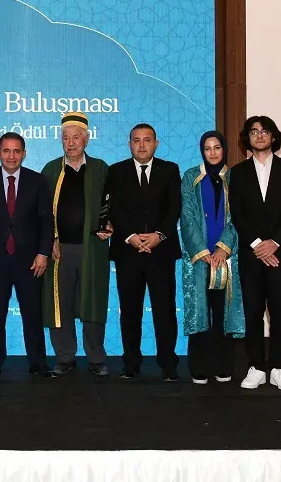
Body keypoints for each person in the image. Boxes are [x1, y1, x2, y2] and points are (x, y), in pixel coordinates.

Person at [0, 132, 53, 378]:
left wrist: (43, 253)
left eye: (16, 151)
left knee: (32, 315)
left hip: (30, 261)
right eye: (6, 151)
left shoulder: (37, 181)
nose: (11, 156)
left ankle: (38, 363)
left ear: (24, 154)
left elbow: (46, 222)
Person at [229, 116, 281, 391]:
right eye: (254, 132)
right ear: (247, 138)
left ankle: (279, 367)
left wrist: (275, 243)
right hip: (252, 255)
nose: (259, 136)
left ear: (273, 136)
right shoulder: (238, 172)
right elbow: (238, 214)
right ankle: (257, 366)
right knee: (253, 312)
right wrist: (258, 244)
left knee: (279, 312)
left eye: (265, 131)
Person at [107, 123, 182, 381]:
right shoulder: (116, 171)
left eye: (147, 140)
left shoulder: (170, 170)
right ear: (129, 144)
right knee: (129, 311)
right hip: (128, 251)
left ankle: (168, 364)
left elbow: (174, 208)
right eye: (136, 140)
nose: (141, 145)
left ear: (156, 143)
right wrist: (130, 236)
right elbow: (113, 208)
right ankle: (131, 363)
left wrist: (159, 235)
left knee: (165, 311)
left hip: (161, 252)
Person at [41, 112, 112, 377]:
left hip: (92, 249)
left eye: (76, 137)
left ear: (86, 139)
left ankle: (96, 357)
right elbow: (41, 212)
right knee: (61, 304)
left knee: (93, 301)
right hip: (60, 251)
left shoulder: (100, 169)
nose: (71, 143)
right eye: (66, 138)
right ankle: (65, 357)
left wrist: (111, 224)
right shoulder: (50, 170)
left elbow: (113, 204)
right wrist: (50, 239)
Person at [180, 131, 244, 384]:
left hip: (226, 258)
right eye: (207, 148)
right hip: (200, 259)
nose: (213, 153)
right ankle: (199, 366)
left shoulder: (235, 178)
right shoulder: (190, 177)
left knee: (222, 311)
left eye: (217, 147)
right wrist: (202, 251)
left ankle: (223, 365)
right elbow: (187, 216)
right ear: (202, 151)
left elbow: (239, 216)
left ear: (224, 149)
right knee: (200, 311)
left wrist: (223, 248)